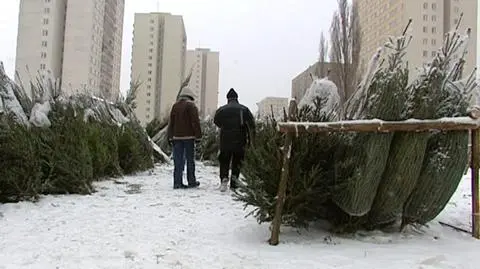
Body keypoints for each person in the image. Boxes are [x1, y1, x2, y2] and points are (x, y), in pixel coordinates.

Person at [214, 88, 255, 192]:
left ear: (228, 98)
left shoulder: (222, 110)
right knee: (237, 161)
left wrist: (225, 127)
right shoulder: (244, 109)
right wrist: (251, 141)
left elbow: (216, 121)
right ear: (237, 98)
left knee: (224, 160)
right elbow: (251, 126)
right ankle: (234, 182)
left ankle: (224, 178)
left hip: (225, 140)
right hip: (240, 140)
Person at [167, 87, 202, 189]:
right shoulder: (191, 106)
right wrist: (198, 136)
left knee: (178, 161)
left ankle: (177, 183)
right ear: (190, 96)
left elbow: (171, 123)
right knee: (190, 160)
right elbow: (195, 122)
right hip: (189, 137)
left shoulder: (175, 106)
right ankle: (191, 181)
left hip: (176, 137)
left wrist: (170, 136)